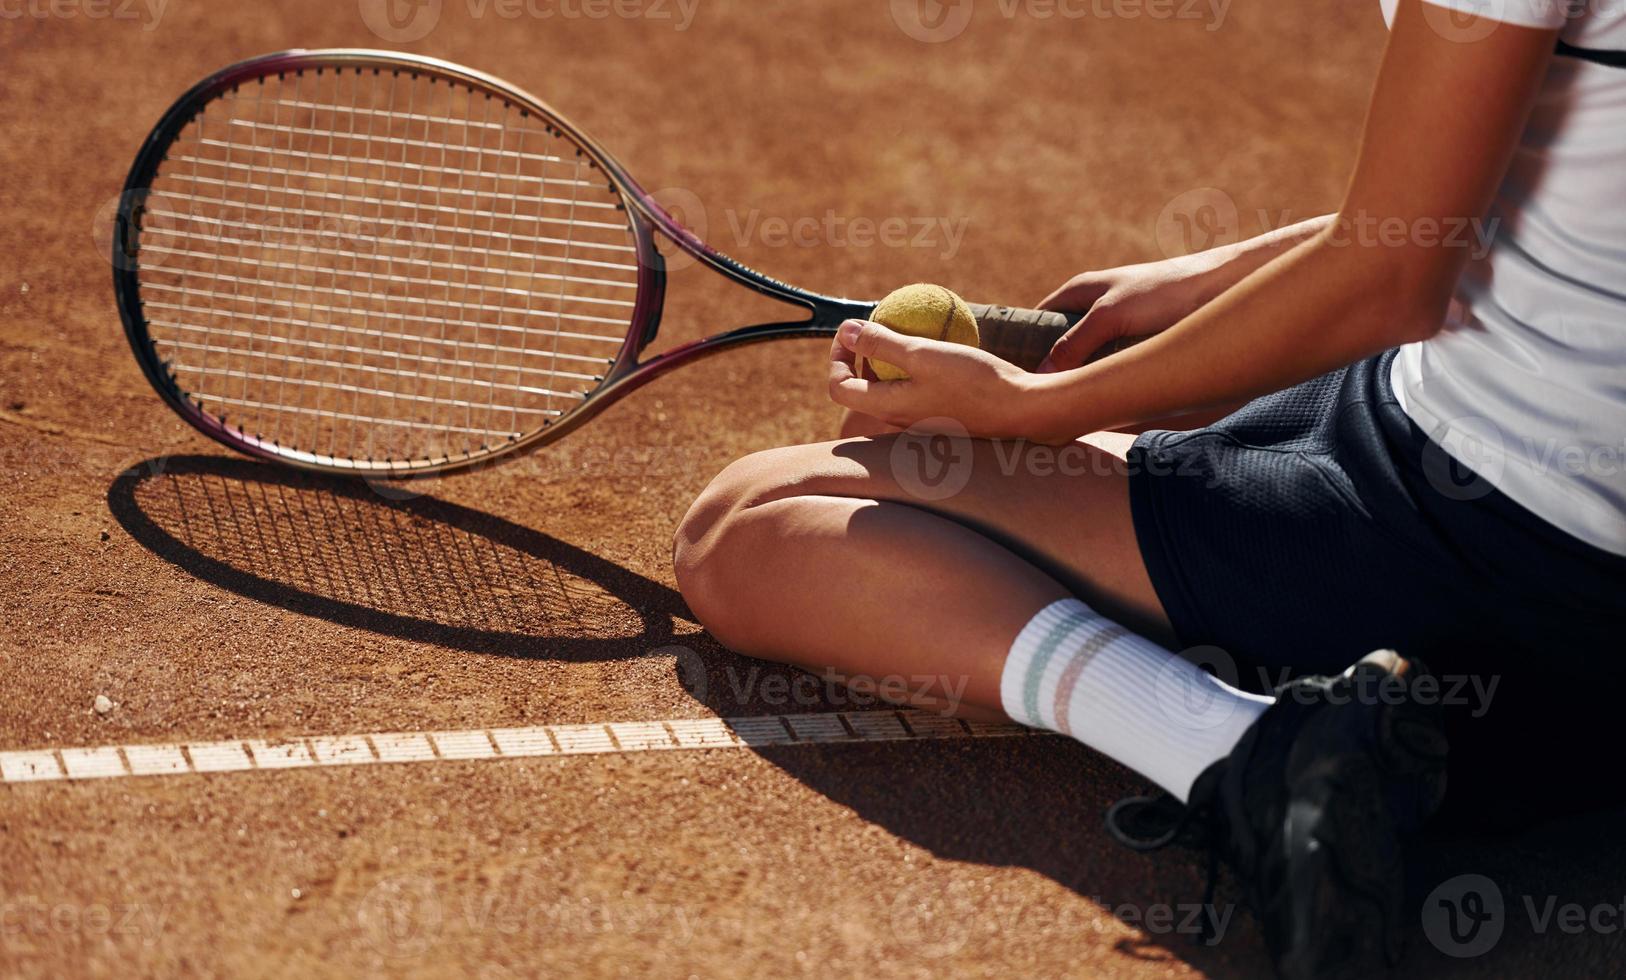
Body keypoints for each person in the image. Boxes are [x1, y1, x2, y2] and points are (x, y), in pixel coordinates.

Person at [672, 1, 1626, 975]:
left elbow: (1392, 278)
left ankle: (1255, 755)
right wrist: (1201, 280)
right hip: (1523, 468)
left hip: (1492, 535)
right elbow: (1493, 179)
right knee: (914, 432)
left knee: (750, 528)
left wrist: (1038, 409)